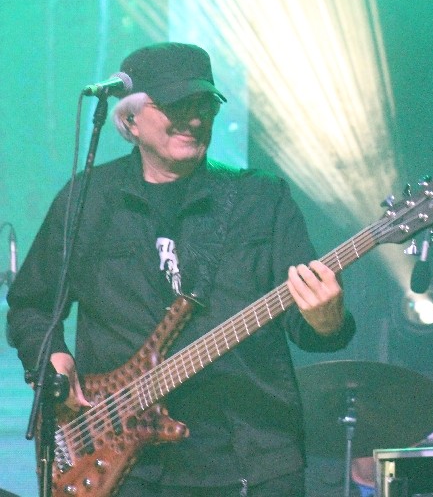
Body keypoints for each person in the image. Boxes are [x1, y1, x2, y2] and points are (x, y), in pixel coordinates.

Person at [6, 42, 356, 496]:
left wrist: (327, 321)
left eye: (205, 105)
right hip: (123, 465)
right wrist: (52, 355)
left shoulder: (260, 198)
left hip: (249, 458)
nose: (194, 118)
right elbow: (31, 306)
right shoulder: (89, 199)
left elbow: (306, 325)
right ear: (130, 120)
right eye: (176, 104)